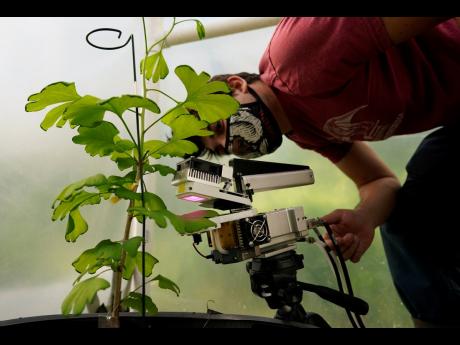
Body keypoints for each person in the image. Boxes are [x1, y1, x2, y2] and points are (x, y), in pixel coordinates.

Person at [188, 17, 460, 327]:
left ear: (236, 86)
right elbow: (378, 181)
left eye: (220, 127)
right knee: (410, 219)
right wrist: (364, 218)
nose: (231, 142)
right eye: (223, 148)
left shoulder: (298, 56)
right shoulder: (303, 130)